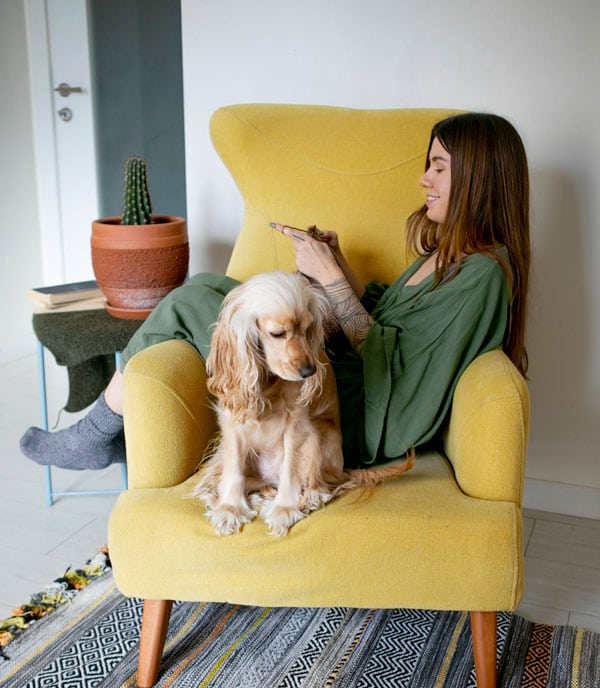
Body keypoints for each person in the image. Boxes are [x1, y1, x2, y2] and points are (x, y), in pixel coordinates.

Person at [20, 111, 530, 471]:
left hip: (358, 414)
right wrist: (338, 264)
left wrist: (328, 279)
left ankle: (94, 435)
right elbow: (382, 319)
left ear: (479, 177)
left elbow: (401, 373)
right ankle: (112, 430)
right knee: (219, 288)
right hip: (348, 374)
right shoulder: (447, 253)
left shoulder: (484, 273)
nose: (424, 179)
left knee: (197, 297)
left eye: (439, 166)